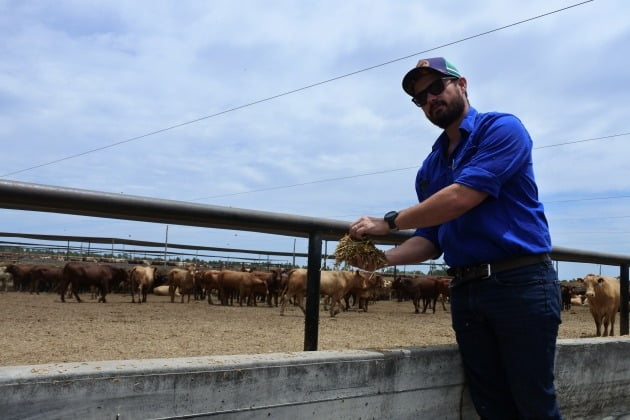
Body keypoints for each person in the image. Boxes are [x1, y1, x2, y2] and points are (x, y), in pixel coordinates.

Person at [349, 57, 562, 419]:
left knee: (533, 403)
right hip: (465, 289)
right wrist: (381, 259)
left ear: (461, 84)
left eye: (436, 87)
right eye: (420, 98)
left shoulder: (502, 129)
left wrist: (389, 222)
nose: (430, 99)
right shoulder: (430, 168)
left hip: (519, 281)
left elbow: (463, 196)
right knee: (490, 403)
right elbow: (432, 239)